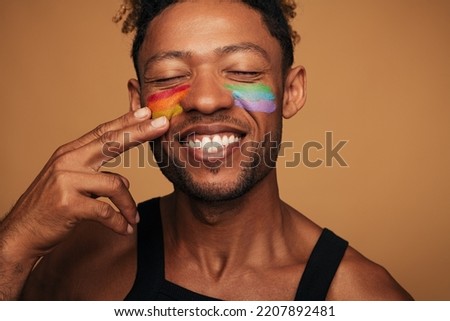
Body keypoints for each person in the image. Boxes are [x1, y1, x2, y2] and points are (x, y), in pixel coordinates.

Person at [0, 0, 413, 301]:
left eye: (243, 71)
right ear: (138, 100)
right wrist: (14, 243)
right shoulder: (80, 260)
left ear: (290, 91)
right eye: (169, 76)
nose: (205, 100)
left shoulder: (365, 299)